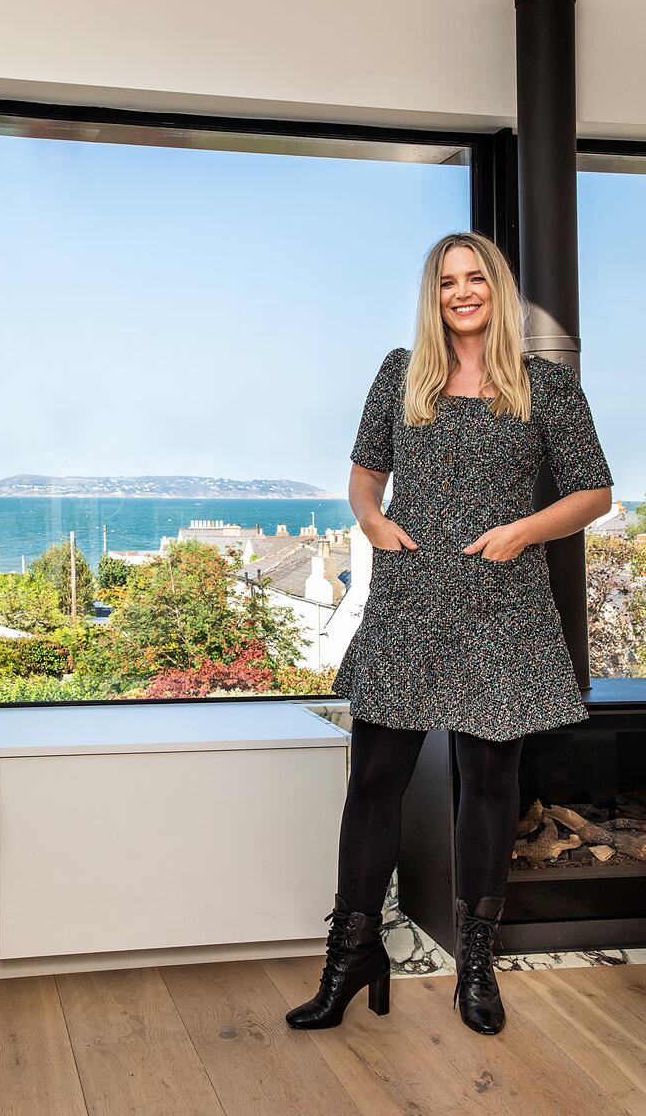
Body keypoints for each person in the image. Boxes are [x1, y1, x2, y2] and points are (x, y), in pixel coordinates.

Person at [285, 231, 614, 1036]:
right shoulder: (402, 374)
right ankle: (353, 955)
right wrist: (370, 521)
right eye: (445, 283)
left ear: (496, 289)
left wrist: (524, 530)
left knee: (490, 786)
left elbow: (595, 494)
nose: (461, 293)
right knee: (372, 785)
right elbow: (366, 475)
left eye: (474, 279)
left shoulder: (548, 389)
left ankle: (477, 963)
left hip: (501, 604)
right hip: (407, 601)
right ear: (432, 297)